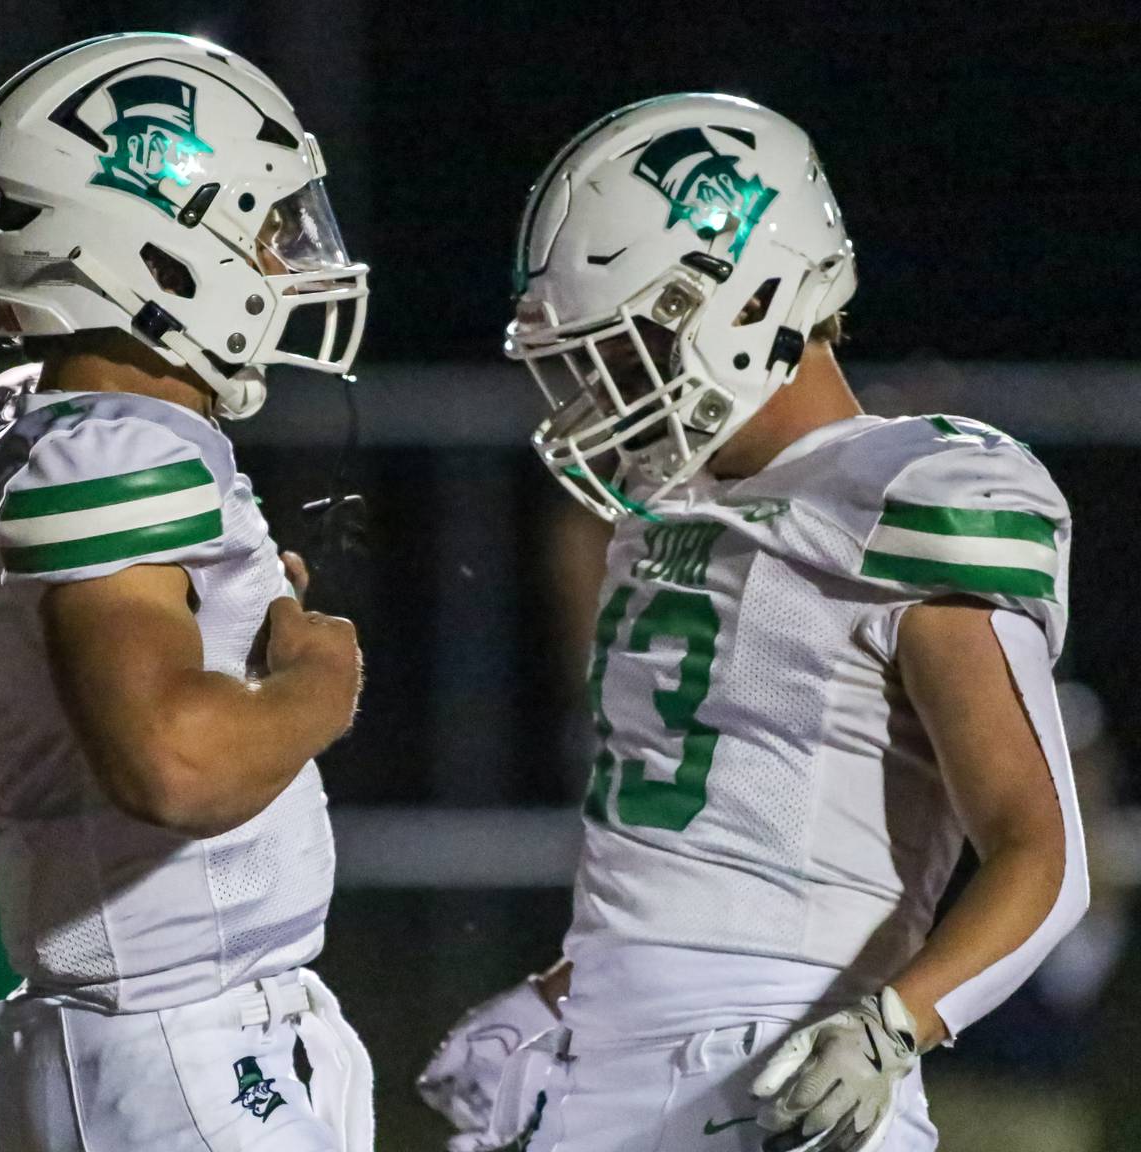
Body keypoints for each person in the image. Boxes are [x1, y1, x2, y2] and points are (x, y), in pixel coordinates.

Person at [418, 94, 1087, 1152]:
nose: (603, 388)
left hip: (783, 1060)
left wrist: (892, 1028)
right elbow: (683, 858)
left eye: (630, 345)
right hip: (595, 1071)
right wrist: (556, 996)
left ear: (740, 299)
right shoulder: (663, 510)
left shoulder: (909, 489)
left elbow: (1041, 853)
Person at [0, 33, 372, 1152]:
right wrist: (322, 677)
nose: (286, 259)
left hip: (143, 1050)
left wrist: (179, 635)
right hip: (181, 1055)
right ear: (160, 245)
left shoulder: (17, 433)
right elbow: (173, 764)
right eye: (266, 226)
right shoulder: (117, 450)